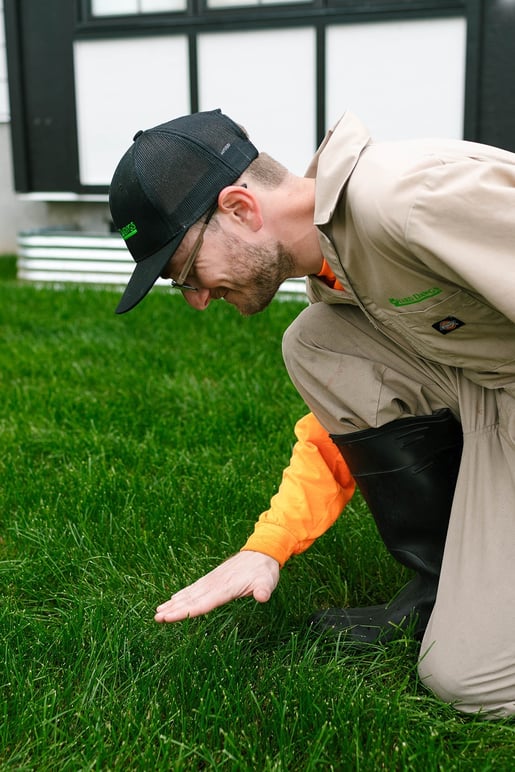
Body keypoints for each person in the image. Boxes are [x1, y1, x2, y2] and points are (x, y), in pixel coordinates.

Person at [109, 108, 515, 718]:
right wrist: (266, 547)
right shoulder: (337, 268)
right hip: (495, 389)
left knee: (471, 682)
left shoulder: (407, 200)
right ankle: (447, 584)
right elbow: (331, 430)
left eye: (185, 271)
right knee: (315, 341)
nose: (196, 300)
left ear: (241, 209)